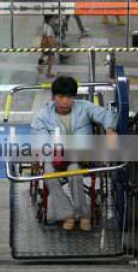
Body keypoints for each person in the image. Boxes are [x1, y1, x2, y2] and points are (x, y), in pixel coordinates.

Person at [31, 76, 117, 231]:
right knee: (49, 175)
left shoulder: (84, 107)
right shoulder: (44, 115)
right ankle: (67, 214)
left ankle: (83, 215)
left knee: (75, 173)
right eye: (61, 97)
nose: (65, 101)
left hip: (79, 155)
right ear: (53, 97)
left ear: (74, 98)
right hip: (55, 155)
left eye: (69, 97)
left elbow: (106, 115)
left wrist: (110, 129)